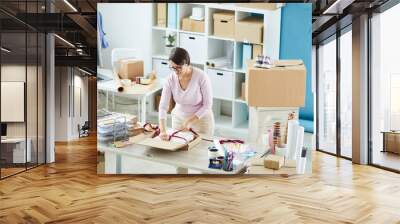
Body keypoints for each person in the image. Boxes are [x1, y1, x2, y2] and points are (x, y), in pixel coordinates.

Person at [158, 47, 214, 140]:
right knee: (178, 150)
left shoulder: (201, 76)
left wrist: (190, 120)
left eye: (178, 67)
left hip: (201, 120)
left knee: (200, 151)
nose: (175, 71)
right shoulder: (170, 79)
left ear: (187, 64)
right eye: (172, 67)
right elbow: (163, 106)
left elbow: (207, 105)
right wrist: (163, 130)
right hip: (179, 119)